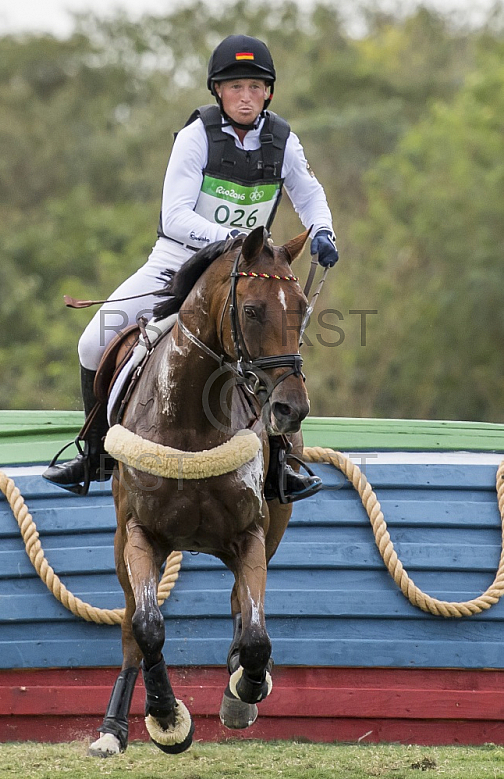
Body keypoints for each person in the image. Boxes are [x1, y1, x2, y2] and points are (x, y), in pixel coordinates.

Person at [43, 34, 339, 499]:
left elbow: (309, 195)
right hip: (178, 264)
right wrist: (234, 240)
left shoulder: (284, 141)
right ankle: (96, 453)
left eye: (255, 87)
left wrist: (323, 230)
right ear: (218, 91)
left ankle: (282, 464)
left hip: (247, 275)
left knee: (273, 354)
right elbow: (176, 215)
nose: (245, 96)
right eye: (235, 86)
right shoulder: (196, 136)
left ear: (269, 93)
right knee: (91, 343)